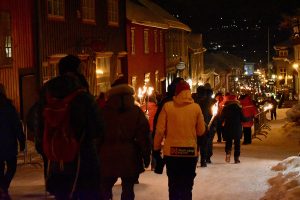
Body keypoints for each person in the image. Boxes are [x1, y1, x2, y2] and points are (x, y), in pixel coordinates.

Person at [34, 55, 104, 199]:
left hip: (55, 162)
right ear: (77, 70)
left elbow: (36, 123)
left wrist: (46, 148)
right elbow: (98, 128)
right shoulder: (83, 95)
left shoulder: (47, 93)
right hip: (83, 160)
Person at [98, 77, 151, 200]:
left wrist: (96, 154)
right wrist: (146, 155)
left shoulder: (104, 112)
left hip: (107, 154)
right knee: (128, 188)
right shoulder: (136, 111)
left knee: (105, 187)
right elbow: (144, 136)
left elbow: (97, 136)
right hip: (130, 154)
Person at [153, 81, 206, 200]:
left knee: (173, 185)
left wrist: (156, 149)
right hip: (190, 152)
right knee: (187, 186)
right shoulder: (196, 108)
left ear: (176, 93)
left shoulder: (168, 106)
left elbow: (160, 131)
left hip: (172, 153)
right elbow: (201, 131)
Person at [151, 77, 184, 171]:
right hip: (189, 148)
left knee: (173, 176)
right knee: (187, 179)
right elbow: (200, 130)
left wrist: (156, 150)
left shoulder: (165, 103)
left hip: (171, 146)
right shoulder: (192, 105)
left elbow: (159, 128)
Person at [0, 84, 26, 199]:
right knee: (12, 166)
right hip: (8, 143)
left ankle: (1, 187)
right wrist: (22, 139)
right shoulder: (8, 106)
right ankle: (3, 186)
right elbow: (16, 124)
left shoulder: (8, 106)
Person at [220, 94, 249, 164]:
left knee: (228, 142)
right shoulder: (239, 108)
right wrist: (247, 119)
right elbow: (243, 119)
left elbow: (221, 118)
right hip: (237, 128)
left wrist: (222, 123)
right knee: (237, 144)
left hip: (228, 127)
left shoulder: (225, 108)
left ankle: (228, 154)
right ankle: (236, 158)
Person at [194, 86, 216, 167]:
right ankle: (204, 160)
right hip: (206, 125)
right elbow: (213, 114)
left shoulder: (194, 100)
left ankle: (195, 159)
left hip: (195, 125)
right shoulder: (209, 102)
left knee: (196, 143)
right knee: (205, 143)